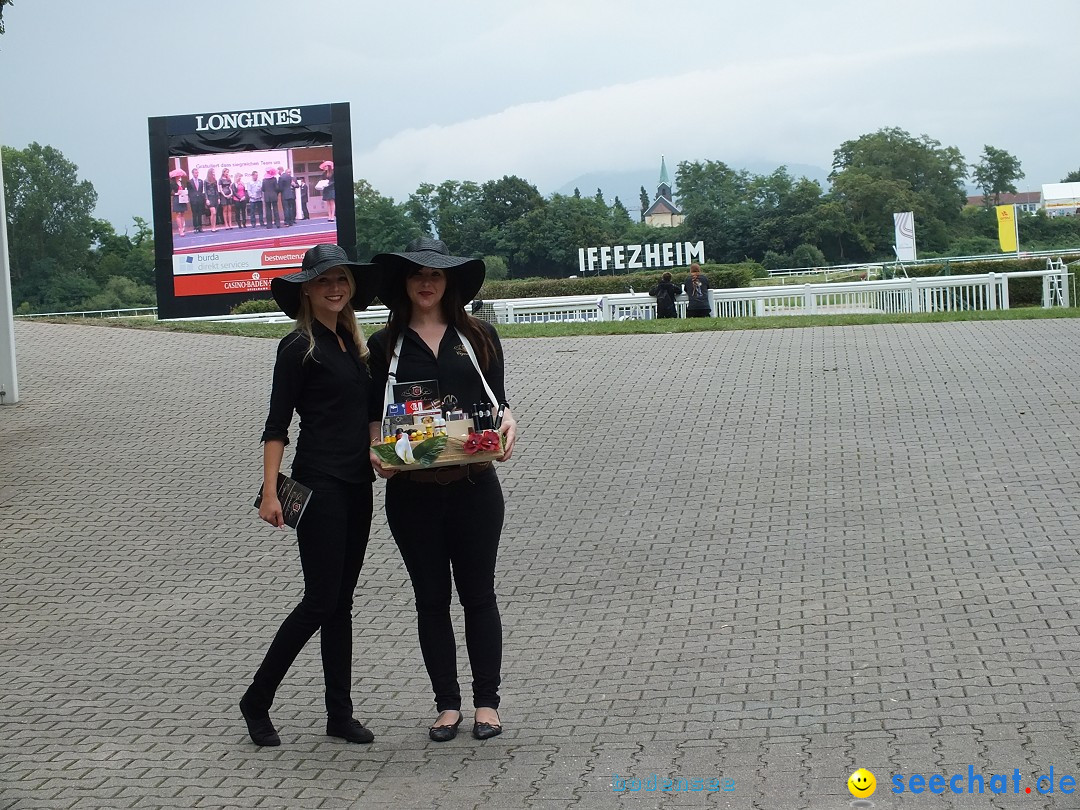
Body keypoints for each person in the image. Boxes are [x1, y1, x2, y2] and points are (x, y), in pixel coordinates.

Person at [367, 237, 518, 743]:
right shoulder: (383, 346)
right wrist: (376, 452)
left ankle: (487, 703)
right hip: (412, 494)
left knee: (479, 596)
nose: (426, 283)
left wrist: (509, 423)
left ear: (449, 281)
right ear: (404, 285)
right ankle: (447, 704)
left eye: (435, 274)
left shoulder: (479, 337)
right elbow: (374, 417)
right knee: (430, 600)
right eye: (416, 275)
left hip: (475, 487)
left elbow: (499, 404)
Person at [239, 244, 383, 748]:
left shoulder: (353, 345)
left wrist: (379, 451)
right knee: (320, 600)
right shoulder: (297, 347)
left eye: (340, 280)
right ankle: (256, 700)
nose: (335, 289)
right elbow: (276, 425)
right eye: (324, 282)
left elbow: (366, 416)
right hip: (318, 484)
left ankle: (339, 714)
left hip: (357, 486)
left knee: (340, 602)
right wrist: (270, 492)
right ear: (307, 290)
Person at [187, 169, 206, 233]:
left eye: (197, 173)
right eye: (195, 173)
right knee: (194, 214)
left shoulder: (201, 181)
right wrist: (191, 198)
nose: (196, 174)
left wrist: (201, 197)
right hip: (193, 200)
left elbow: (201, 190)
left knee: (200, 213)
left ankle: (200, 227)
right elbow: (189, 191)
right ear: (192, 173)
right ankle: (195, 227)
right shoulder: (189, 181)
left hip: (200, 199)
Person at [204, 168, 220, 234]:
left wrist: (218, 198)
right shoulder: (206, 181)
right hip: (210, 197)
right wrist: (206, 199)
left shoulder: (215, 180)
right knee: (213, 212)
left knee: (215, 213)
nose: (214, 173)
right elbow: (205, 191)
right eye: (213, 172)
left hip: (215, 197)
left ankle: (214, 226)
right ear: (210, 173)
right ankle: (212, 227)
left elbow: (216, 190)